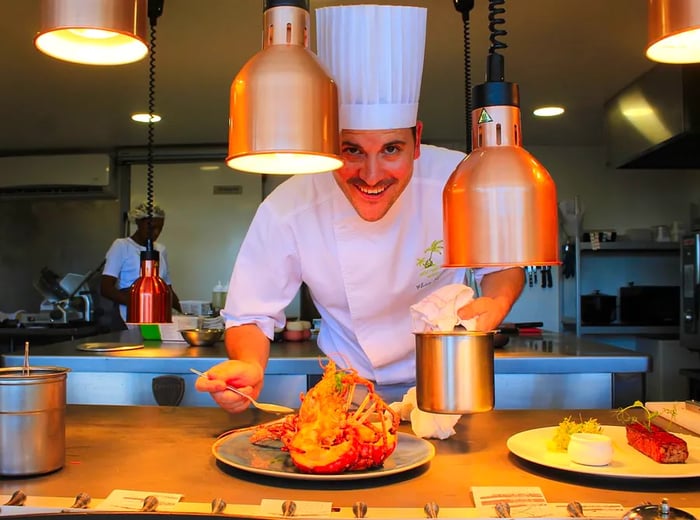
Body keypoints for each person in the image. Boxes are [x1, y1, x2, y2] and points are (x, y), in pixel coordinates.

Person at [196, 4, 524, 412]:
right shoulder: (290, 205)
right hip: (346, 391)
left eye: (391, 149)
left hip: (446, 383)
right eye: (351, 149)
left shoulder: (458, 181)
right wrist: (247, 363)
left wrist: (496, 303)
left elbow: (503, 267)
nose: (371, 175)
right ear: (328, 139)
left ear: (417, 140)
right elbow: (250, 312)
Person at [100, 201, 181, 327]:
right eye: (151, 227)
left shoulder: (161, 249)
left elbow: (168, 288)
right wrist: (142, 304)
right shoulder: (122, 246)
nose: (156, 233)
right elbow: (106, 288)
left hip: (157, 317)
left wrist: (183, 314)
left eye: (160, 228)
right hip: (127, 316)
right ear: (138, 222)